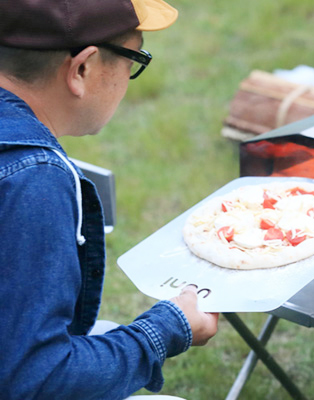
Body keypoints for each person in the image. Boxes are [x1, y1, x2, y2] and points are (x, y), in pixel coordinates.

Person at [0, 1, 219, 399]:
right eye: (135, 56)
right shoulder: (35, 177)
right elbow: (36, 379)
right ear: (82, 68)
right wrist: (169, 326)